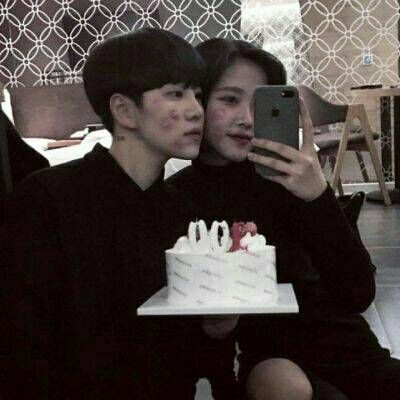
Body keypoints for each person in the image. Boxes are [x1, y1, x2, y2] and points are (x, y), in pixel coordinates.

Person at [1, 28, 234, 400]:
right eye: (176, 94)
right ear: (123, 110)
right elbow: (23, 344)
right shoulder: (48, 199)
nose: (196, 110)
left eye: (198, 95)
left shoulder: (183, 211)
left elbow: (186, 355)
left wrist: (215, 329)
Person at [167, 37, 400, 400]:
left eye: (259, 103)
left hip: (354, 355)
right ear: (198, 102)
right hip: (271, 368)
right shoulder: (176, 199)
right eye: (229, 100)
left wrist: (318, 196)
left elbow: (357, 294)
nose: (247, 119)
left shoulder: (291, 181)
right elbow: (189, 343)